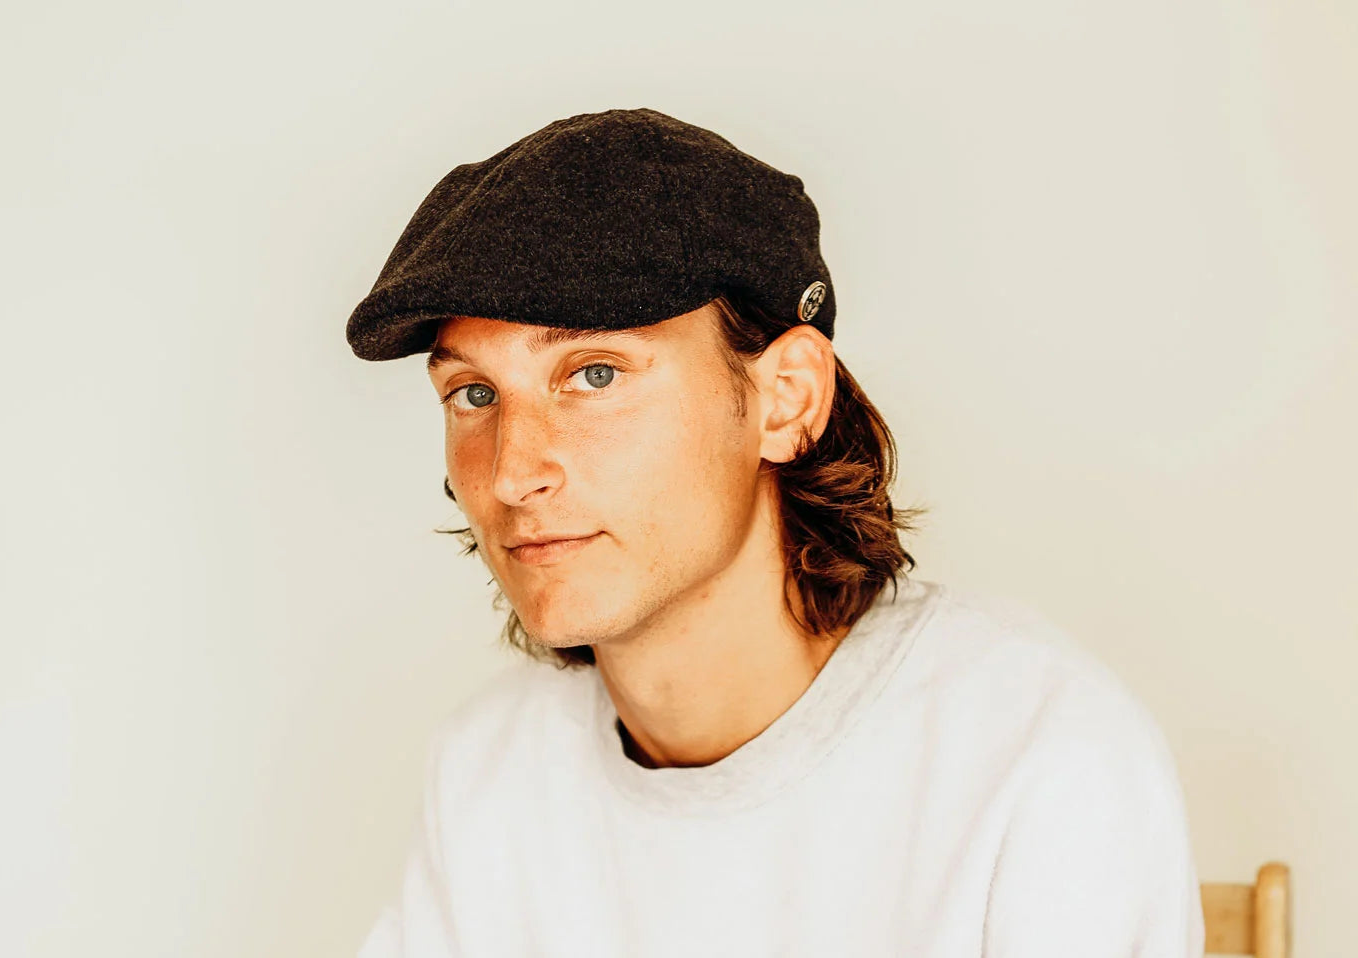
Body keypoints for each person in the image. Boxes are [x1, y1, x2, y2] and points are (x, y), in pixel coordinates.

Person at [344, 107, 1206, 957]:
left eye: (595, 373)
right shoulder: (492, 771)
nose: (509, 472)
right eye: (474, 394)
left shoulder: (1033, 755)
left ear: (786, 397)